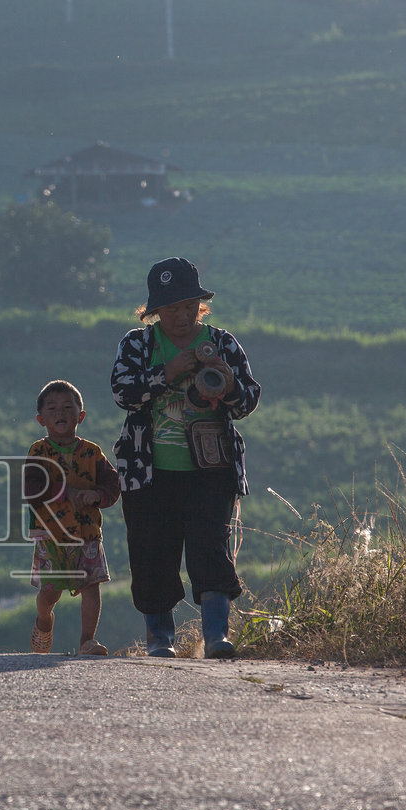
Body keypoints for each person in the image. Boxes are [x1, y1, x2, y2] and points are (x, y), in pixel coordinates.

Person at [110, 257, 260, 659]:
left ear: (201, 306)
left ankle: (216, 637)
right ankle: (160, 639)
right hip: (148, 472)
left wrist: (227, 384)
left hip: (211, 470)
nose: (181, 316)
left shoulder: (222, 343)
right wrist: (168, 372)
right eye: (172, 308)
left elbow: (247, 401)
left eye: (189, 306)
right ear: (155, 311)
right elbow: (123, 393)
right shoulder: (138, 345)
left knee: (210, 548)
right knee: (152, 553)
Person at [24, 379, 122, 656]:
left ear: (81, 416)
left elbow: (113, 486)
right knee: (50, 592)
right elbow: (31, 489)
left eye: (68, 407)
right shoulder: (39, 451)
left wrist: (97, 495)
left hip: (87, 533)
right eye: (52, 408)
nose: (61, 412)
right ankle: (44, 619)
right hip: (51, 535)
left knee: (92, 586)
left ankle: (87, 641)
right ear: (41, 420)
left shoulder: (93, 452)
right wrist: (66, 492)